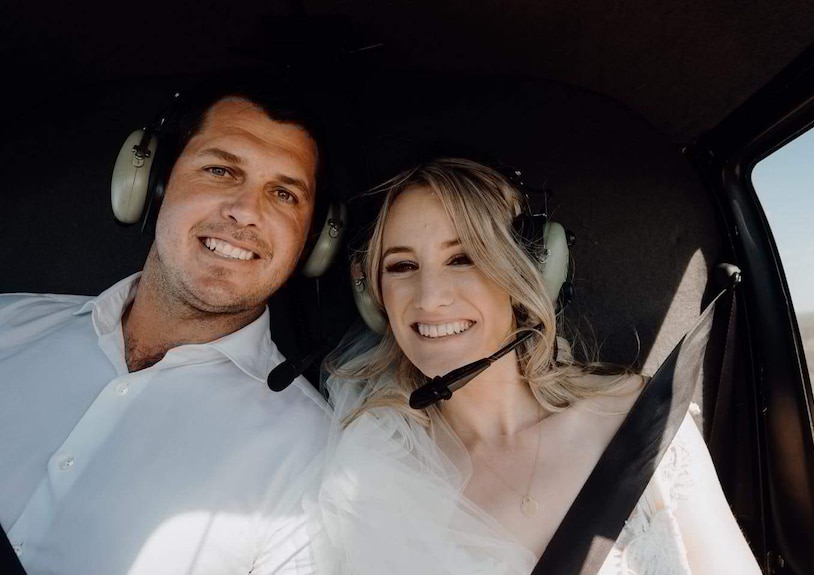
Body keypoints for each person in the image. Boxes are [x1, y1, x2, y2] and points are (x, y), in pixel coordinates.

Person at [310, 158, 762, 574]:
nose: (429, 298)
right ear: (374, 299)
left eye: (463, 257)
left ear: (528, 270)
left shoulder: (643, 420)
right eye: (402, 266)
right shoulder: (376, 472)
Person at [0, 76, 332, 574]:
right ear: (150, 185)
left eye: (284, 194)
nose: (246, 212)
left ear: (309, 244)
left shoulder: (318, 459)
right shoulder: (8, 322)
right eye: (221, 170)